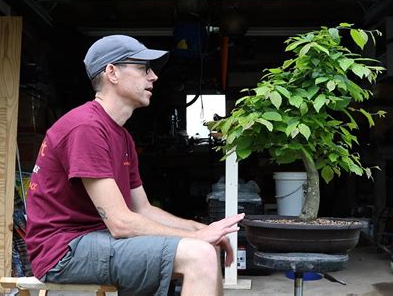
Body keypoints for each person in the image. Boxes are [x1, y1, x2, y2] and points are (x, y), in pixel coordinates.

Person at [24, 35, 244, 296]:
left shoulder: (121, 136)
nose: (153, 77)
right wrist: (195, 239)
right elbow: (121, 223)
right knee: (199, 255)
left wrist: (202, 229)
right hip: (64, 251)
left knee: (207, 247)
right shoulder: (86, 128)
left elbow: (142, 209)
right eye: (143, 68)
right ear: (112, 72)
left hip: (95, 239)